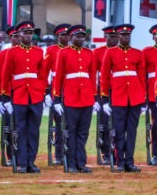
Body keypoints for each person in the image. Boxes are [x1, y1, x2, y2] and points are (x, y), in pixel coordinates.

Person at [1, 21, 47, 173]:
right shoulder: (11, 52)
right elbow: (6, 75)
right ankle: (21, 161)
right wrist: (6, 97)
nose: (28, 35)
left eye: (30, 33)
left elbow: (42, 74)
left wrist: (41, 91)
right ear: (19, 35)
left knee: (34, 129)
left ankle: (30, 161)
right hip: (19, 94)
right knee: (20, 129)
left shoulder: (39, 51)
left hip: (35, 95)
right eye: (24, 33)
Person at [53, 25, 98, 173]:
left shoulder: (89, 53)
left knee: (83, 132)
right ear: (71, 38)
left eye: (82, 36)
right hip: (70, 97)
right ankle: (71, 163)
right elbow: (58, 76)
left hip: (86, 98)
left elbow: (92, 77)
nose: (80, 39)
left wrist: (94, 97)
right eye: (77, 36)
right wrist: (57, 99)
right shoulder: (64, 53)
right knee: (70, 131)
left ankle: (81, 163)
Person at [101, 24, 145, 173]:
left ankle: (129, 161)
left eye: (128, 35)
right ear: (118, 36)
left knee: (132, 130)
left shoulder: (138, 53)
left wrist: (143, 99)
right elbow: (105, 76)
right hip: (119, 96)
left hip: (135, 97)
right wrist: (105, 98)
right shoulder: (111, 53)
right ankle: (119, 160)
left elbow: (141, 77)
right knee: (119, 130)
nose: (126, 37)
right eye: (123, 35)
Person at [43, 23, 71, 165]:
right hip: (56, 90)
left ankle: (71, 151)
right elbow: (44, 72)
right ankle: (59, 154)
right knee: (59, 124)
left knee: (71, 124)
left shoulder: (73, 50)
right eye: (62, 35)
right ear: (57, 36)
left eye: (67, 35)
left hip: (72, 90)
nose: (65, 37)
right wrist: (46, 92)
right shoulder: (51, 50)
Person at [93, 26, 119, 165]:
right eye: (111, 37)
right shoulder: (98, 52)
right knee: (104, 124)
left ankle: (117, 151)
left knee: (117, 123)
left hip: (118, 90)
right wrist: (96, 96)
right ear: (105, 37)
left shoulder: (120, 51)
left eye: (115, 37)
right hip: (103, 91)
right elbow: (94, 73)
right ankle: (106, 152)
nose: (113, 39)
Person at [0, 26, 20, 165]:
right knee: (8, 126)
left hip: (20, 92)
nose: (17, 39)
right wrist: (1, 97)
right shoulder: (5, 53)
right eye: (14, 36)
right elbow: (0, 75)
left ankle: (20, 152)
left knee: (20, 125)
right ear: (10, 38)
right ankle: (10, 154)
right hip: (8, 94)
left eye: (18, 36)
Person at [145, 24, 157, 165]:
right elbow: (143, 76)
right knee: (156, 125)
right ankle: (156, 154)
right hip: (154, 94)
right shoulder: (147, 52)